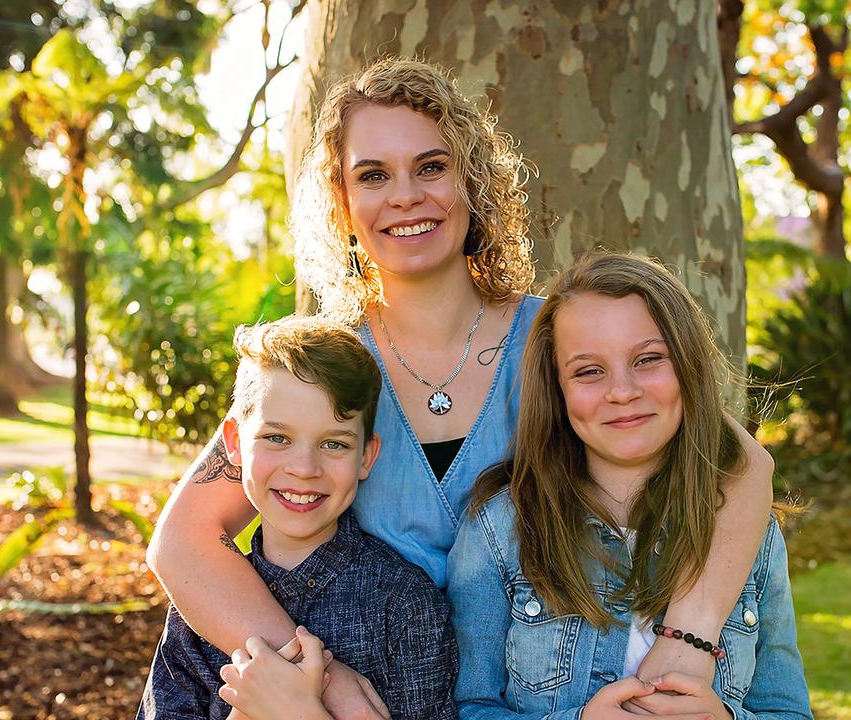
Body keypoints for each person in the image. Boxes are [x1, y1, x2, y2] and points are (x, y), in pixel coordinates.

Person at [147, 57, 775, 717]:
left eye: (431, 167)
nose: (405, 196)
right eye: (372, 175)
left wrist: (687, 641)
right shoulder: (324, 366)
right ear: (342, 200)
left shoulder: (557, 341)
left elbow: (740, 465)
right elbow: (183, 541)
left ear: (472, 178)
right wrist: (322, 677)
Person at [448, 252, 811, 719]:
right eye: (588, 371)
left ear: (687, 367)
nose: (622, 390)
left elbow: (788, 711)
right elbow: (468, 707)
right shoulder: (501, 528)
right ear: (556, 389)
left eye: (648, 359)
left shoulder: (750, 536)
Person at [137, 317, 457, 720]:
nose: (304, 468)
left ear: (366, 457)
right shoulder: (197, 614)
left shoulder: (405, 607)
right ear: (234, 443)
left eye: (333, 443)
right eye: (277, 438)